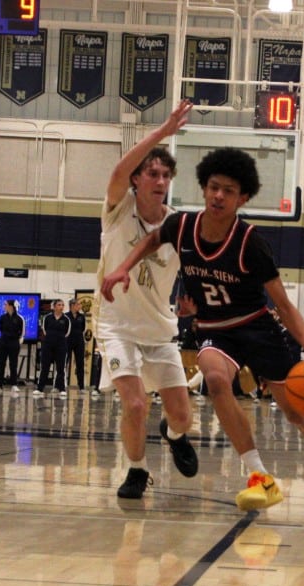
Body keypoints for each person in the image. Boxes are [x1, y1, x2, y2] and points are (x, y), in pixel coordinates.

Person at [102, 145, 304, 511]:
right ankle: (260, 477)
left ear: (242, 198)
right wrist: (123, 267)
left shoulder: (251, 243)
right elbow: (154, 239)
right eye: (213, 187)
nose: (218, 195)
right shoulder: (181, 225)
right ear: (203, 187)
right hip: (216, 329)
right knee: (215, 380)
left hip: (257, 328)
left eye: (228, 191)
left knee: (295, 411)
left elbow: (283, 304)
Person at [91, 99, 198, 499]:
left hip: (159, 330)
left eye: (165, 175)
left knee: (183, 417)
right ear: (137, 179)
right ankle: (137, 470)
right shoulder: (118, 210)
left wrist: (195, 304)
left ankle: (172, 435)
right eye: (152, 173)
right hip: (117, 325)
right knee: (135, 404)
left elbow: (194, 270)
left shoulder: (178, 225)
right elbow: (118, 170)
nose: (159, 180)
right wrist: (162, 133)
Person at [34, 299, 71, 399]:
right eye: (59, 305)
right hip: (48, 345)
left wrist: (58, 339)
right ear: (54, 307)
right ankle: (40, 388)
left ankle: (62, 389)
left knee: (60, 368)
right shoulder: (47, 318)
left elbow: (67, 333)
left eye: (63, 305)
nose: (61, 307)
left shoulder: (66, 319)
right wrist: (51, 338)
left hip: (61, 346)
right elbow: (44, 330)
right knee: (44, 367)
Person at [0, 299, 25, 395]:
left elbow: (22, 333)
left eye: (6, 305)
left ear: (11, 306)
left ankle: (14, 385)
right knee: (1, 364)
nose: (4, 306)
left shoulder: (20, 318)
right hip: (3, 343)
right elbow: (1, 329)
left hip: (14, 344)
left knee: (13, 364)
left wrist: (17, 343)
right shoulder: (2, 317)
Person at [65, 299, 87, 393]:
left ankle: (81, 386)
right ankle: (60, 385)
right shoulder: (66, 316)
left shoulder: (81, 317)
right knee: (64, 362)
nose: (80, 306)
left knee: (80, 364)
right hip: (67, 341)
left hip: (79, 341)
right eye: (78, 304)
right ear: (72, 305)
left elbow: (83, 328)